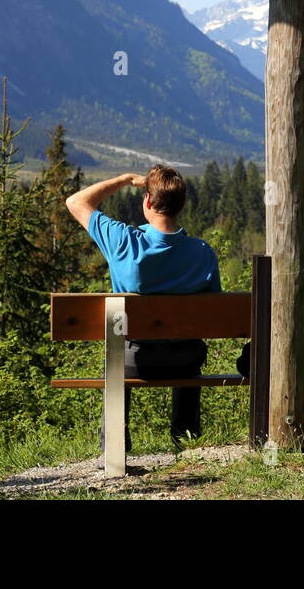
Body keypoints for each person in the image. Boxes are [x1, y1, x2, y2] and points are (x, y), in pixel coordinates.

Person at [65, 164, 219, 451]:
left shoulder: (123, 241)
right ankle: (186, 441)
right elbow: (213, 313)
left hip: (134, 360)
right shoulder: (203, 252)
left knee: (117, 351)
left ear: (148, 201)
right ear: (180, 206)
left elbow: (75, 202)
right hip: (186, 359)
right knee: (190, 345)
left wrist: (124, 179)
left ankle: (114, 448)